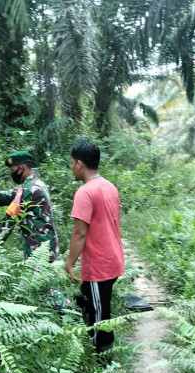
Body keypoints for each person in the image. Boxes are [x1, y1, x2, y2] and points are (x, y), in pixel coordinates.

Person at [65, 141, 125, 353]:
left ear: (80, 164)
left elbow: (80, 232)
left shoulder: (85, 192)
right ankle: (92, 340)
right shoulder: (109, 186)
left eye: (72, 163)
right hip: (113, 258)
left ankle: (104, 358)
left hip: (101, 264)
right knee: (89, 300)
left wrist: (70, 263)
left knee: (101, 315)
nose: (71, 167)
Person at [0, 151, 60, 262]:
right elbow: (15, 193)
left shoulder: (29, 189)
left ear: (21, 168)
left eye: (12, 170)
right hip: (48, 244)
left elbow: (10, 219)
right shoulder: (37, 184)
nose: (12, 174)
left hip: (39, 248)